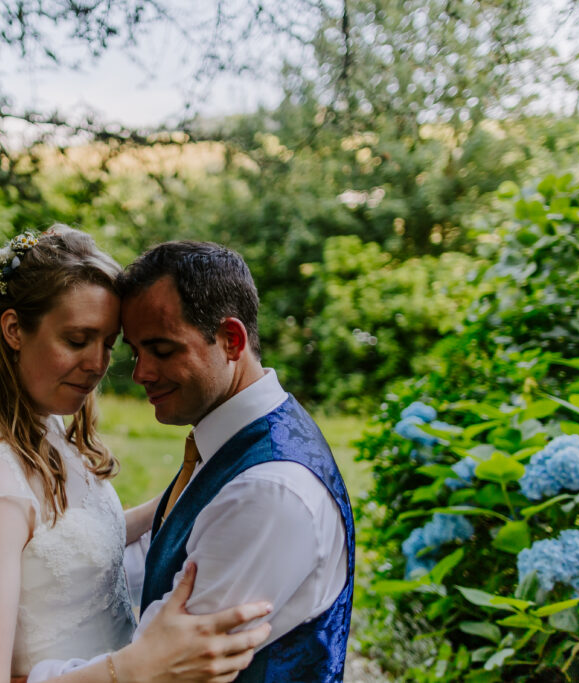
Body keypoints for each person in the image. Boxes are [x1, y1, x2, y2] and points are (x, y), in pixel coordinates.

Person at [0, 227, 272, 683]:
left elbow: (64, 542)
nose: (98, 364)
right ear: (13, 330)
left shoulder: (43, 425)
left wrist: (194, 488)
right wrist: (138, 667)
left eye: (107, 343)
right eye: (77, 339)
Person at [28, 241, 354, 682]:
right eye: (136, 352)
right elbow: (163, 559)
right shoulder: (233, 442)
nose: (141, 372)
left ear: (231, 340)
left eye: (162, 350)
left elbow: (159, 668)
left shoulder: (267, 492)